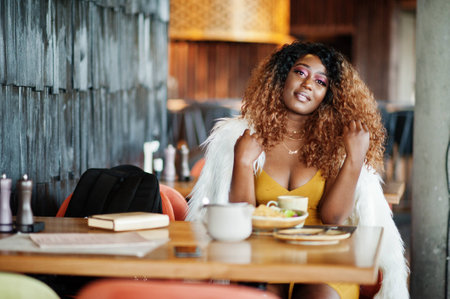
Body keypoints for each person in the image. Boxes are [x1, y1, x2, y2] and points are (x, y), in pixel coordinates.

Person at [186, 41, 409, 299]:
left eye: (320, 82)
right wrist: (243, 162)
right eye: (300, 73)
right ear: (282, 77)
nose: (307, 85)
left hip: (325, 260)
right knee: (261, 293)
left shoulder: (336, 144)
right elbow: (241, 215)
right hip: (262, 257)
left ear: (330, 93)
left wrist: (354, 159)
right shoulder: (245, 137)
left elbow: (334, 219)